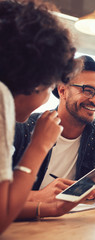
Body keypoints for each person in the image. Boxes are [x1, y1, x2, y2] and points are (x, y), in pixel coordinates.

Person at [12, 55, 95, 218]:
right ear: (62, 90)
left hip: (75, 224)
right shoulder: (25, 127)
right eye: (88, 90)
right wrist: (38, 196)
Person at [0, 0, 83, 233]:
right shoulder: (1, 97)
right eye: (50, 86)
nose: (49, 96)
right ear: (34, 78)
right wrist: (40, 145)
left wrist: (47, 208)